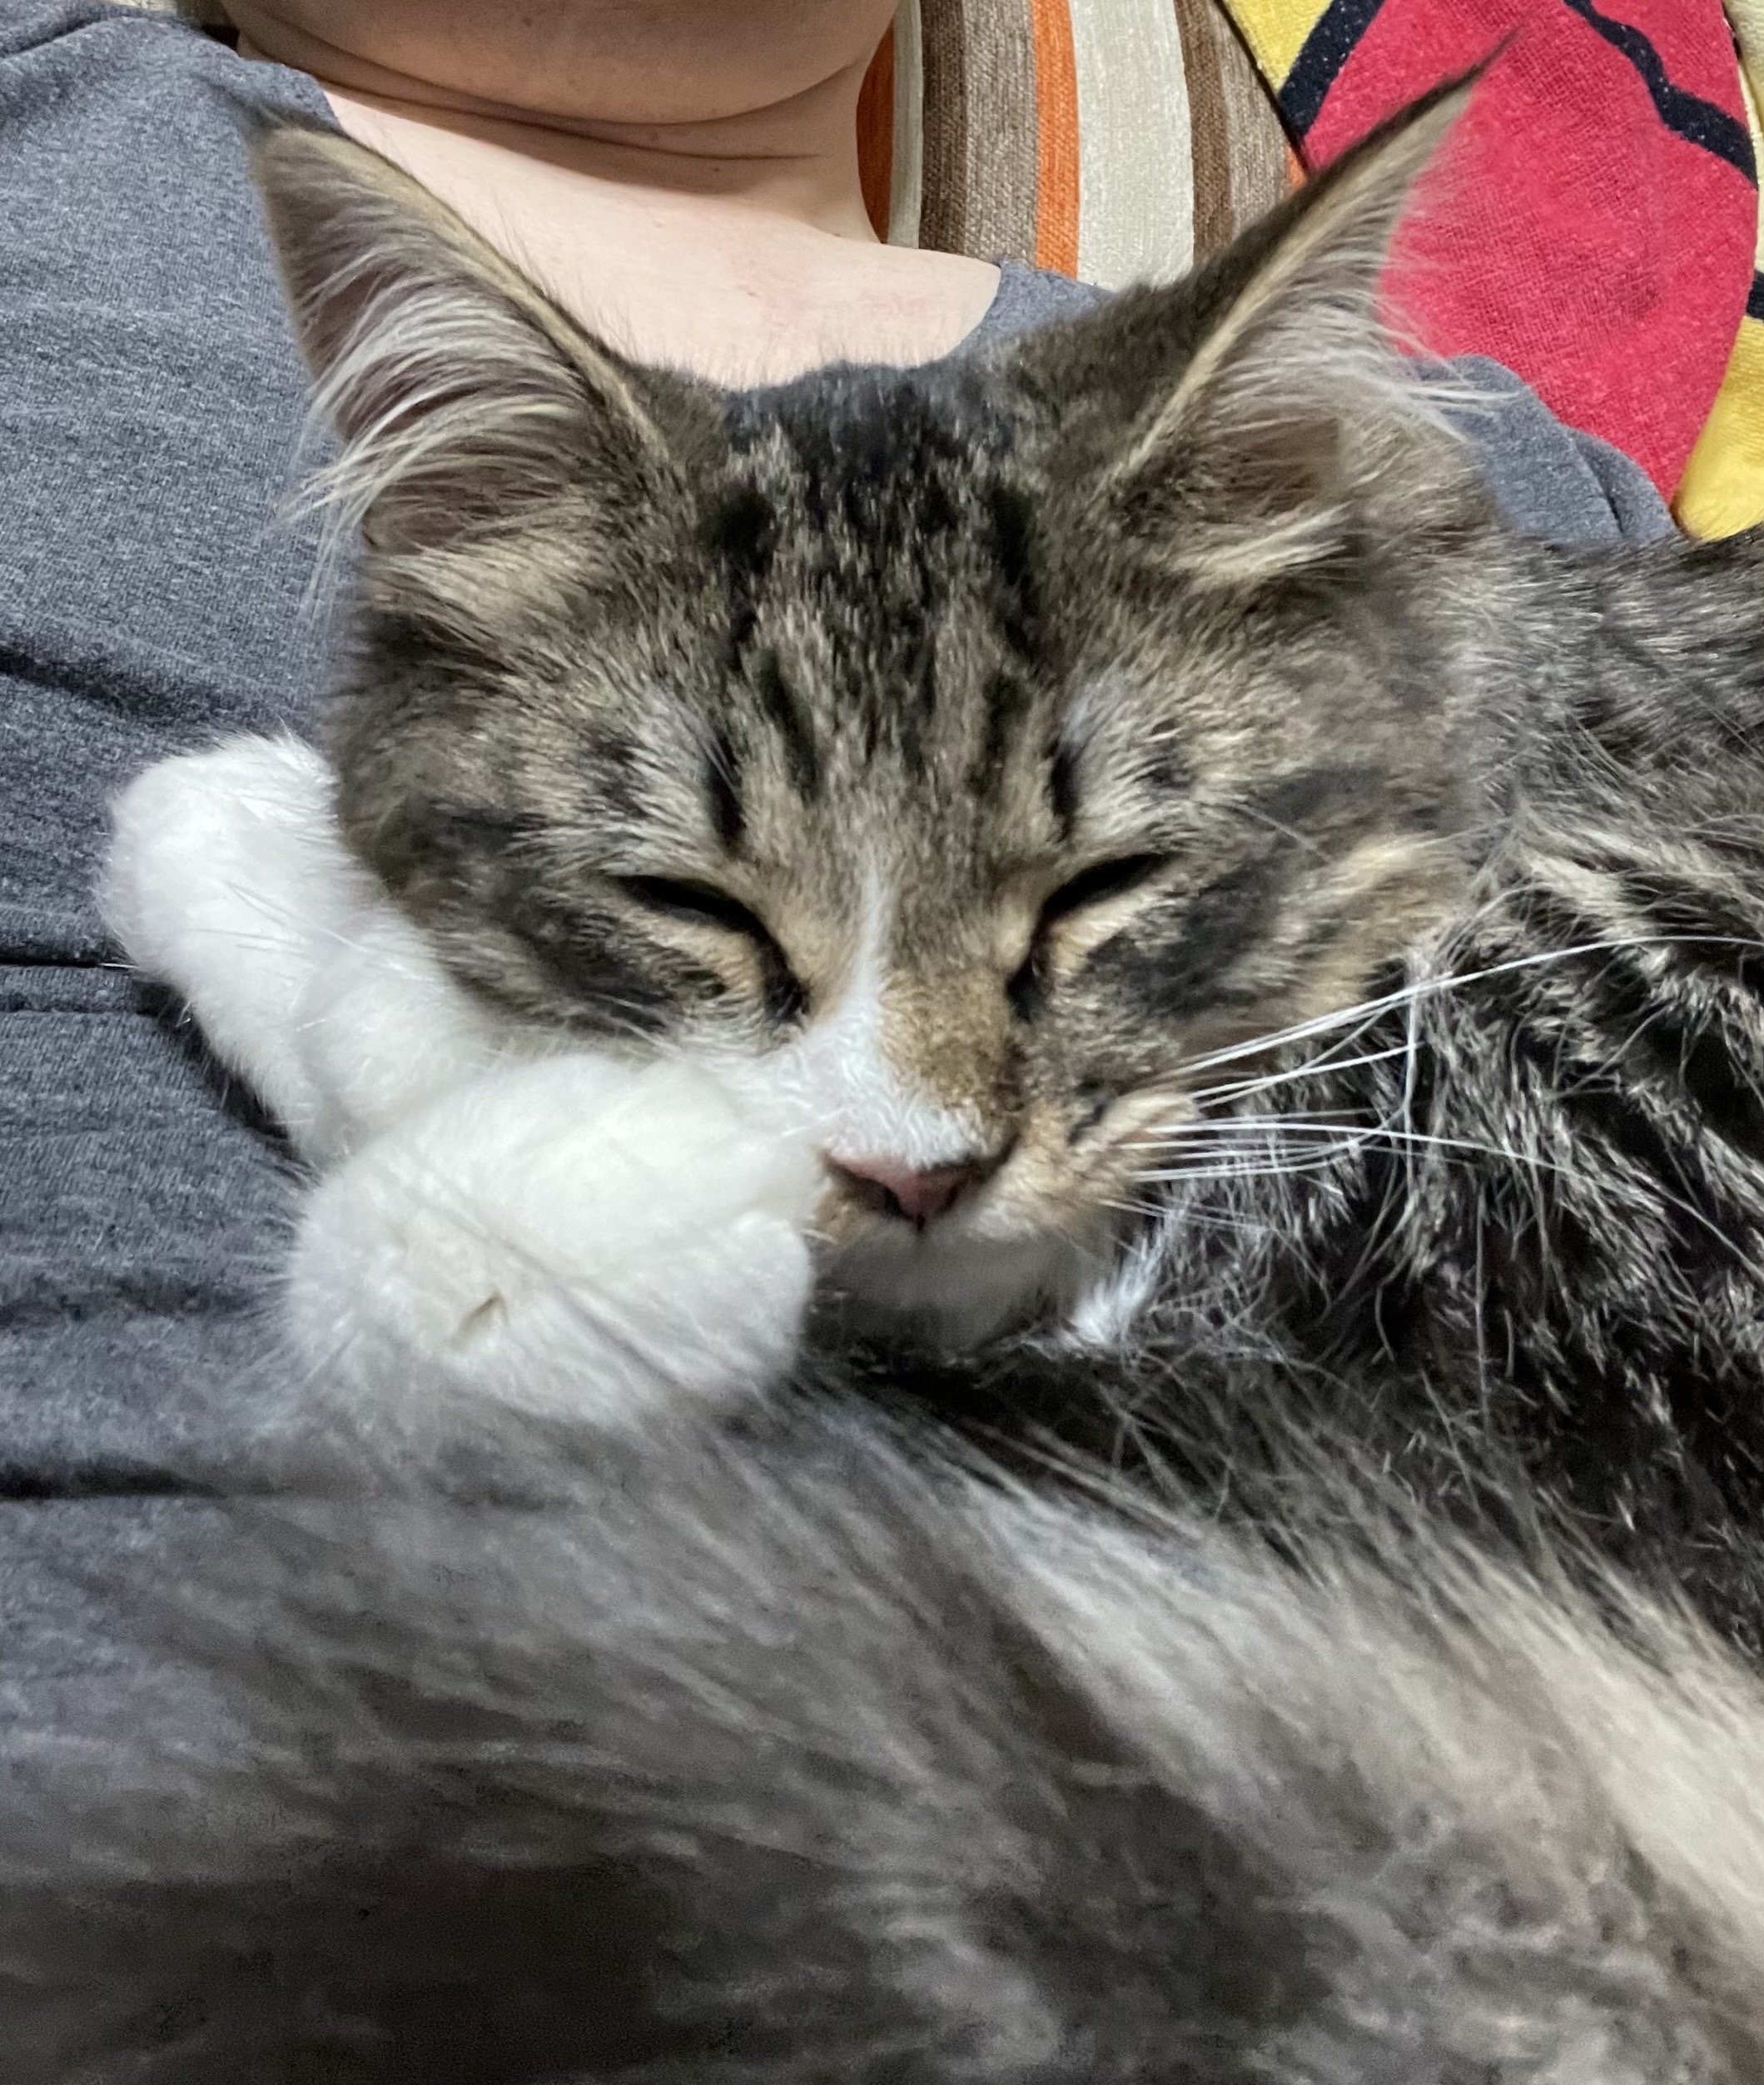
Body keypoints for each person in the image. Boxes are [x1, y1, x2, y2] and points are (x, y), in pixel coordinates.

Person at [0, 0, 1668, 1680]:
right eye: (694, 901)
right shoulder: (48, 103)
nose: (924, 1147)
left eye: (1093, 885)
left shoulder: (1419, 443)